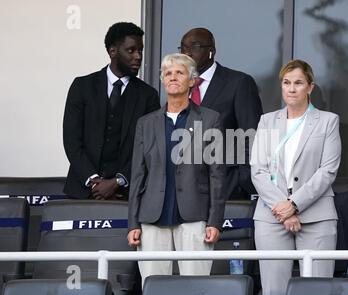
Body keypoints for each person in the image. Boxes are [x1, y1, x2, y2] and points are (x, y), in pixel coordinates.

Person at [127, 53, 225, 279]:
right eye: (167, 73)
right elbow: (138, 175)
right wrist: (133, 222)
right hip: (152, 217)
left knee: (196, 289)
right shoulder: (146, 123)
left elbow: (217, 175)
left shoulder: (210, 119)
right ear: (162, 80)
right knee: (154, 287)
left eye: (179, 72)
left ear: (192, 81)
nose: (172, 77)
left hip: (194, 216)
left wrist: (214, 221)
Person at [250, 59, 341, 295]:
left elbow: (328, 170)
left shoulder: (328, 121)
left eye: (298, 83)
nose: (291, 89)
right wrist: (283, 208)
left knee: (317, 293)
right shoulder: (267, 121)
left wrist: (294, 205)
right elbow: (257, 169)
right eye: (286, 83)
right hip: (272, 216)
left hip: (316, 216)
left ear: (310, 87)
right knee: (273, 292)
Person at [62, 22, 160, 200]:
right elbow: (71, 141)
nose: (138, 56)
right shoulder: (82, 87)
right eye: (131, 50)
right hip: (83, 192)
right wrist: (93, 181)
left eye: (141, 50)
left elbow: (149, 146)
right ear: (113, 51)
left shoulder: (148, 95)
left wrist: (117, 181)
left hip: (128, 194)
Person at [179, 28, 263, 200]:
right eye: (183, 48)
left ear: (212, 51)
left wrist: (244, 182)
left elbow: (251, 135)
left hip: (227, 187)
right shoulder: (178, 86)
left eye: (194, 46)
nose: (187, 53)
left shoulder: (238, 83)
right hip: (185, 189)